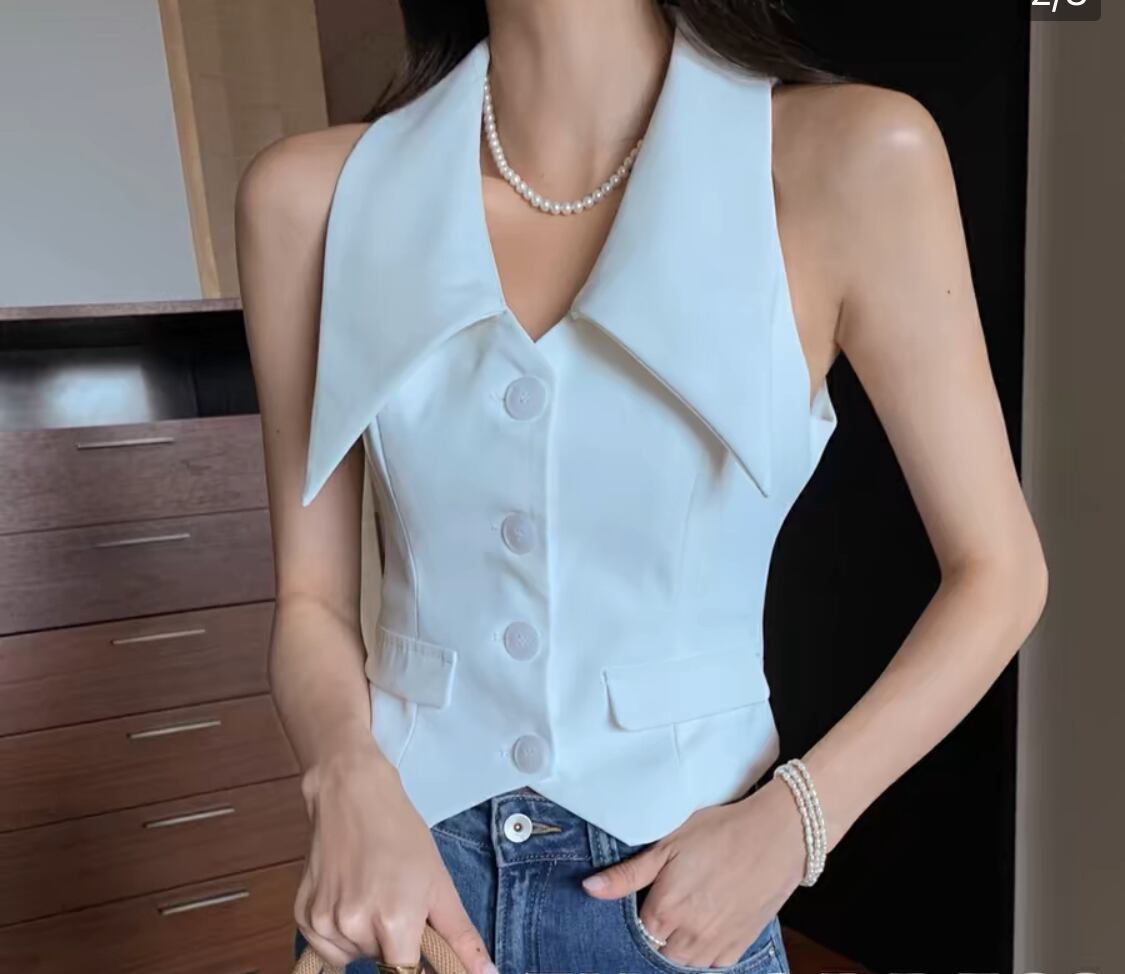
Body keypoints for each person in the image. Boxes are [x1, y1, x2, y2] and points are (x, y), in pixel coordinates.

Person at [234, 1, 1048, 972]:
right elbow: (311, 601)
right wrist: (344, 783)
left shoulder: (856, 157)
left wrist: (797, 820)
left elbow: (1000, 573)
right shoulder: (311, 199)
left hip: (675, 905)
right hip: (402, 898)